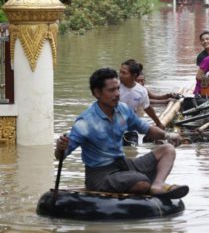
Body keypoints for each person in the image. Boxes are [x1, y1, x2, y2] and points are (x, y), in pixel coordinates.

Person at [54, 68, 189, 198]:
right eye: (111, 90)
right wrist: (61, 148)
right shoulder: (85, 122)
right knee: (141, 182)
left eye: (118, 88)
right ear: (97, 93)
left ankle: (158, 185)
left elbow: (146, 129)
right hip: (100, 174)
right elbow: (61, 156)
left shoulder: (123, 109)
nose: (117, 94)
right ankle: (148, 183)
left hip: (123, 164)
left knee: (168, 150)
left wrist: (168, 135)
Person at [119, 59, 165, 130]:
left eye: (124, 73)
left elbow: (147, 108)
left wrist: (158, 123)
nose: (120, 75)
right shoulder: (114, 87)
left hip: (130, 125)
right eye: (120, 72)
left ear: (134, 76)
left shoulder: (141, 91)